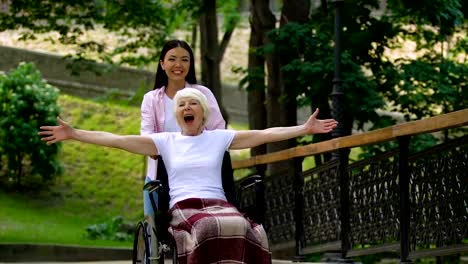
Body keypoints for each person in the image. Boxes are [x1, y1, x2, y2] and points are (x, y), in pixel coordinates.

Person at [38, 88, 338, 264]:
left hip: (219, 203)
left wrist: (303, 129)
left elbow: (264, 134)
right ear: (177, 114)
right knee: (208, 226)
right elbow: (116, 139)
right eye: (181, 104)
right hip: (185, 207)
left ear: (202, 112)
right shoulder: (165, 141)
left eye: (192, 103)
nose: (186, 107)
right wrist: (75, 133)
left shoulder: (219, 138)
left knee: (252, 229)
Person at [141, 39, 225, 218]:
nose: (178, 65)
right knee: (156, 228)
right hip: (161, 174)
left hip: (200, 172)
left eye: (185, 60)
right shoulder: (151, 99)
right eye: (172, 59)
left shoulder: (203, 94)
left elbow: (219, 131)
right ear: (162, 64)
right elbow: (147, 139)